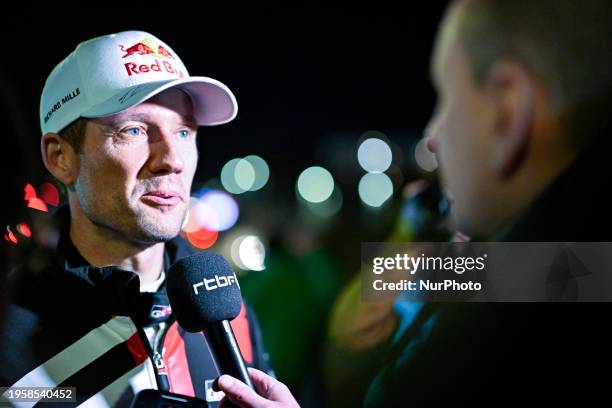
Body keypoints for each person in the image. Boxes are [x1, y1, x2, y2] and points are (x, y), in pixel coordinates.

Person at [0, 31, 271, 407]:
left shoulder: (228, 312)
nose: (172, 159)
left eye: (183, 131)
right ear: (60, 157)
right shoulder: (11, 331)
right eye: (134, 130)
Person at [363, 0, 612, 406]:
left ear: (507, 110)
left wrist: (412, 233)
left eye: (446, 97)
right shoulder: (577, 265)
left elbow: (362, 321)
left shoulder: (482, 346)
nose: (432, 134)